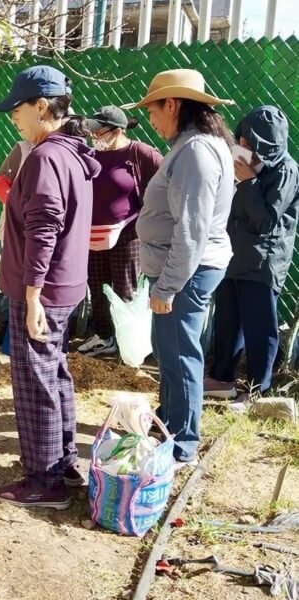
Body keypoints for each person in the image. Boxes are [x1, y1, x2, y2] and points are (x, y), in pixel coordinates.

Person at [0, 65, 101, 509]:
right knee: (54, 372)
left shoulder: (45, 157)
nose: (13, 117)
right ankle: (64, 463)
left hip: (42, 288)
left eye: (17, 108)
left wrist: (32, 294)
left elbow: (44, 228)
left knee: (35, 380)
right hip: (65, 284)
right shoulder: (72, 152)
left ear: (41, 106)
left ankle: (43, 480)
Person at [125, 69, 234, 467]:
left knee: (182, 355)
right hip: (182, 268)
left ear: (172, 104)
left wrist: (167, 287)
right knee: (170, 352)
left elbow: (193, 229)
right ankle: (168, 424)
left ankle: (183, 442)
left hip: (185, 271)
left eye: (152, 110)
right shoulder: (196, 146)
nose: (150, 121)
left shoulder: (196, 153)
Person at [206, 106, 299, 399]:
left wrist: (248, 182)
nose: (243, 146)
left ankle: (258, 389)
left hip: (263, 262)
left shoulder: (286, 169)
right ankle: (222, 380)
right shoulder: (248, 164)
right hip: (233, 255)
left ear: (266, 141)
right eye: (242, 140)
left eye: (249, 142)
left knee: (260, 328)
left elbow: (267, 220)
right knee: (227, 322)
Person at [78, 106, 162, 357]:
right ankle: (104, 337)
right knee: (97, 285)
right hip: (93, 231)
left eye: (99, 132)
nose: (94, 137)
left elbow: (163, 188)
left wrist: (145, 219)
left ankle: (130, 343)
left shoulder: (140, 153)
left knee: (126, 288)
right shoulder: (90, 154)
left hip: (127, 231)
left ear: (117, 131)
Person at [0, 140, 33, 349]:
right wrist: (18, 206)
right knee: (12, 281)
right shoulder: (23, 148)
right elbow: (0, 182)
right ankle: (5, 327)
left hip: (46, 234)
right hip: (15, 229)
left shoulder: (68, 149)